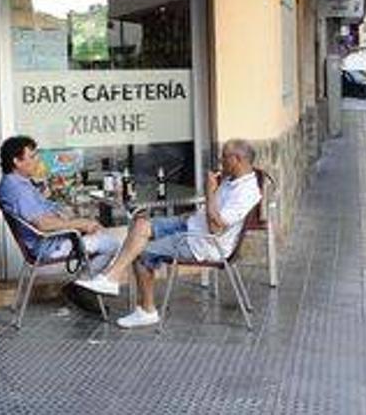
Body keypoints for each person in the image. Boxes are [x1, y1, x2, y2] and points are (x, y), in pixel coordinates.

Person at [75, 139, 262, 329]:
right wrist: (193, 213)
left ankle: (147, 311)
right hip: (191, 224)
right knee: (140, 223)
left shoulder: (247, 192)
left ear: (237, 159)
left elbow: (215, 229)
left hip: (203, 243)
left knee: (141, 252)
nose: (220, 161)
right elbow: (209, 214)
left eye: (224, 157)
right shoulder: (232, 180)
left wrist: (210, 192)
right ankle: (111, 278)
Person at [0, 136, 120, 276]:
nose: (37, 160)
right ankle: (83, 284)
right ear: (17, 161)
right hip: (50, 245)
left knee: (99, 231)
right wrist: (80, 224)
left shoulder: (18, 182)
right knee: (111, 244)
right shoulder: (16, 189)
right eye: (32, 156)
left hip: (55, 238)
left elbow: (44, 212)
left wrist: (69, 217)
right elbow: (42, 224)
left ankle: (83, 285)